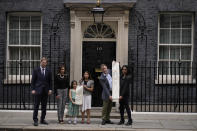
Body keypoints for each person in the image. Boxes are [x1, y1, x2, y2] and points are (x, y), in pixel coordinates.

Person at [31, 57, 52, 126]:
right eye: (43, 62)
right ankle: (35, 120)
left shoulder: (49, 71)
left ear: (46, 63)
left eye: (45, 62)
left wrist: (50, 89)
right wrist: (33, 89)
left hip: (45, 91)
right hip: (38, 90)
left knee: (44, 106)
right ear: (40, 62)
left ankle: (42, 119)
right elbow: (33, 81)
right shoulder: (36, 70)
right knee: (36, 106)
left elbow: (50, 81)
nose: (44, 63)